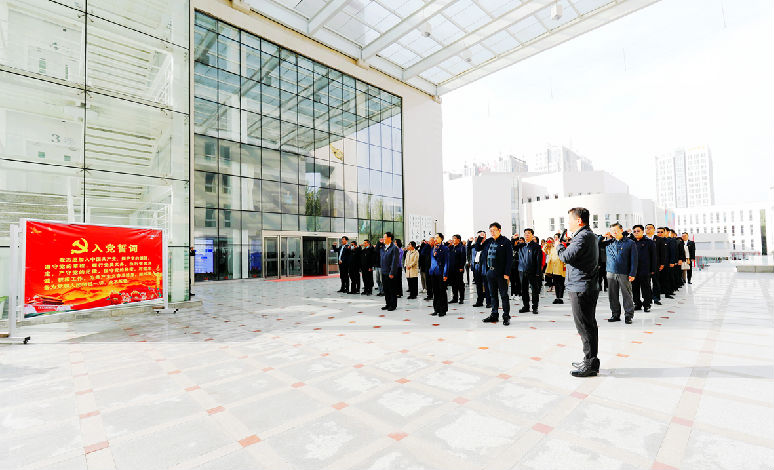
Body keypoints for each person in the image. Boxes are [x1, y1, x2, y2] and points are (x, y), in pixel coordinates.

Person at [557, 207, 600, 378]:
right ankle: (589, 360)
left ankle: (590, 364)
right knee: (587, 325)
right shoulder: (587, 235)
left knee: (585, 326)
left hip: (581, 287)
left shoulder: (583, 236)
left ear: (579, 221)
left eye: (570, 220)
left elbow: (565, 257)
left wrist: (559, 246)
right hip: (582, 286)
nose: (568, 223)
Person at [601, 223, 638, 324]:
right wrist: (602, 236)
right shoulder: (608, 242)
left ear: (621, 230)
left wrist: (633, 273)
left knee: (627, 294)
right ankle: (615, 314)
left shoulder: (630, 243)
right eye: (612, 231)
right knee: (612, 295)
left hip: (624, 272)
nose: (614, 232)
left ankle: (628, 315)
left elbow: (634, 260)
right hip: (611, 272)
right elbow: (597, 244)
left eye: (616, 230)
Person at [482, 222, 513, 325]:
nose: (492, 233)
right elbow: (478, 247)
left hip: (501, 273)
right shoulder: (489, 241)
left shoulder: (506, 242)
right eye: (490, 231)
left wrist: (507, 273)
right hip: (490, 272)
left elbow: (509, 259)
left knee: (504, 295)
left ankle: (506, 316)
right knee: (493, 295)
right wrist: (480, 238)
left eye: (494, 230)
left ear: (499, 230)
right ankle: (494, 315)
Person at [631, 225, 656, 312]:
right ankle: (637, 303)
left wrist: (653, 269)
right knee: (634, 287)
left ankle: (647, 304)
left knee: (646, 287)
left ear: (642, 232)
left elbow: (654, 257)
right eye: (634, 231)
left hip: (645, 269)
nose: (636, 233)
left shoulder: (649, 242)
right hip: (634, 270)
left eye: (638, 231)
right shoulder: (631, 242)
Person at [518, 228, 542, 314]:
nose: (527, 235)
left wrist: (538, 272)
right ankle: (526, 306)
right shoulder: (521, 246)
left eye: (528, 233)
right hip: (522, 271)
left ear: (532, 235)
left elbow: (539, 260)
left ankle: (535, 307)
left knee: (534, 290)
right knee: (524, 290)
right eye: (525, 233)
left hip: (532, 271)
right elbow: (512, 246)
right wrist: (514, 239)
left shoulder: (536, 246)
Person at [428, 233, 449, 317]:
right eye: (435, 238)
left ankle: (443, 310)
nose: (435, 239)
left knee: (442, 291)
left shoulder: (445, 248)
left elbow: (446, 262)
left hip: (441, 272)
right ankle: (436, 309)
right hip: (433, 272)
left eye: (437, 237)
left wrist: (445, 274)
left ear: (441, 239)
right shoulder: (432, 248)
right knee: (435, 291)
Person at [379, 232, 401, 311]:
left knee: (392, 289)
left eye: (384, 237)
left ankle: (393, 305)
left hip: (390, 272)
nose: (383, 239)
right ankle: (388, 304)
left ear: (389, 238)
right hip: (384, 271)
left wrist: (392, 273)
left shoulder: (394, 248)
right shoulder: (383, 247)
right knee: (386, 289)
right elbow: (376, 251)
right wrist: (379, 243)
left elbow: (394, 262)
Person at [471, 231, 492, 308]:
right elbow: (476, 248)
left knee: (487, 285)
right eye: (479, 236)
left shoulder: (488, 243)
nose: (481, 237)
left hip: (484, 266)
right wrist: (479, 239)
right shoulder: (476, 245)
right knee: (478, 285)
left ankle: (489, 302)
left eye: (483, 236)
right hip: (477, 266)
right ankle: (479, 301)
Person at [646, 224, 666, 305]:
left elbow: (663, 252)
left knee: (656, 282)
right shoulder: (643, 239)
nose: (648, 229)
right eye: (647, 228)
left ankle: (656, 298)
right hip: (645, 265)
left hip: (656, 264)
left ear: (654, 230)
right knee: (646, 283)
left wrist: (662, 264)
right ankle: (648, 298)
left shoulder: (659, 239)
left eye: (650, 228)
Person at [545, 234, 566, 304]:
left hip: (561, 268)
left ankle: (561, 297)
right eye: (555, 238)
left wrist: (565, 267)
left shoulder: (562, 247)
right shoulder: (552, 247)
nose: (556, 239)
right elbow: (545, 250)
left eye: (557, 238)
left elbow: (565, 257)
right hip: (554, 268)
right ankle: (557, 297)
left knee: (561, 283)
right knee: (556, 283)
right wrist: (548, 243)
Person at [449, 235, 466, 304]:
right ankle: (455, 298)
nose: (453, 240)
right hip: (452, 269)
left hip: (458, 268)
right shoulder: (452, 247)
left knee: (460, 284)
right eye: (452, 238)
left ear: (458, 240)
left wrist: (461, 267)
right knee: (453, 284)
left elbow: (463, 258)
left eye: (454, 238)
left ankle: (461, 298)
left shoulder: (461, 247)